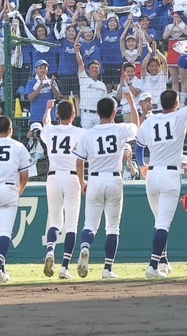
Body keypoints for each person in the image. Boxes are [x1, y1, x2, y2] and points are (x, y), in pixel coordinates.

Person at [140, 76, 187, 278]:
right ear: (176, 104)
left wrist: (141, 165)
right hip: (169, 176)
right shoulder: (178, 117)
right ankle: (153, 266)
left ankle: (164, 261)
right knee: (163, 224)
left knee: (159, 221)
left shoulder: (150, 120)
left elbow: (139, 147)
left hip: (152, 174)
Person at [75, 94, 140, 281]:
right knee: (112, 227)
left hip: (94, 179)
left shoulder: (88, 134)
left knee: (89, 224)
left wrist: (81, 182)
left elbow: (78, 162)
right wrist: (131, 103)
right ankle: (107, 268)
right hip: (113, 179)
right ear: (114, 112)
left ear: (97, 113)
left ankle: (85, 247)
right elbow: (136, 125)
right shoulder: (120, 129)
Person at [0, 114, 34, 283]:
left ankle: (1, 270)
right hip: (8, 188)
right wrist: (18, 191)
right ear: (11, 129)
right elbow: (25, 175)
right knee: (4, 231)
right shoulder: (18, 146)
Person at [37, 99, 84, 279]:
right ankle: (64, 267)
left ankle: (50, 250)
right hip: (72, 177)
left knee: (55, 221)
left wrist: (48, 109)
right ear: (74, 115)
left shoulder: (49, 131)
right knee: (71, 224)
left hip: (53, 176)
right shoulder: (80, 132)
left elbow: (45, 123)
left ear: (58, 114)